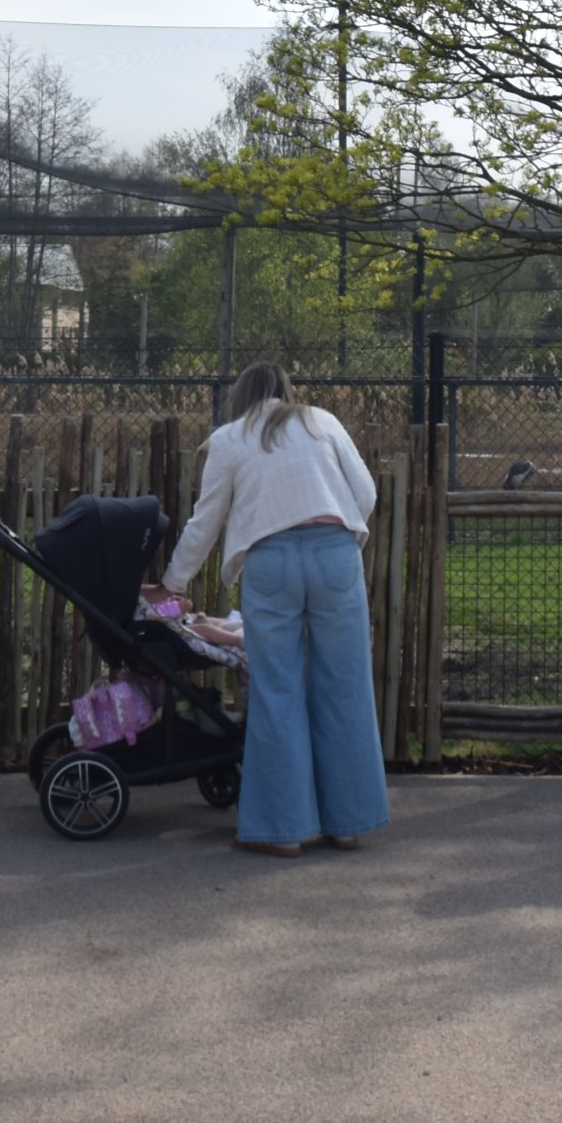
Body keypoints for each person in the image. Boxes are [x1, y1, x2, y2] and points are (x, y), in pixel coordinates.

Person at [150, 363, 386, 856]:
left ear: (241, 397)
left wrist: (171, 584)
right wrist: (337, 542)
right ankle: (348, 824)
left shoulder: (229, 438)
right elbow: (365, 493)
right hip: (335, 552)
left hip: (271, 561)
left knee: (277, 689)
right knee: (344, 686)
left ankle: (284, 832)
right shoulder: (322, 421)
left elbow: (206, 520)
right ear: (286, 393)